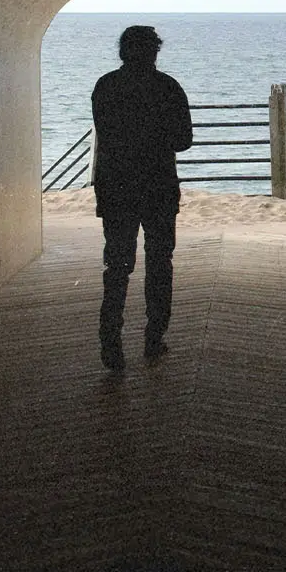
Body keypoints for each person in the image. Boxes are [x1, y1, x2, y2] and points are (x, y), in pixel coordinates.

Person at [90, 25, 193, 371]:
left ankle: (111, 341)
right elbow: (184, 141)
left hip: (116, 187)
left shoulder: (105, 86)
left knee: (117, 264)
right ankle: (154, 335)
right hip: (158, 186)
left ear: (123, 51)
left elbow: (106, 133)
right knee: (160, 261)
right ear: (154, 52)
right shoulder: (168, 88)